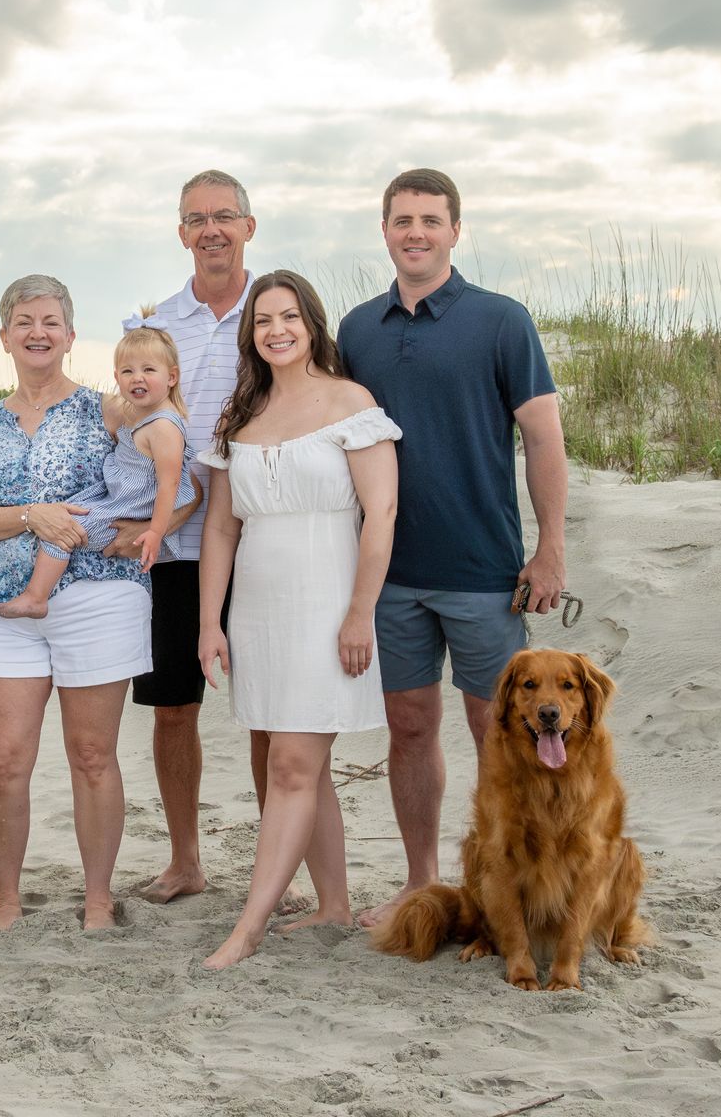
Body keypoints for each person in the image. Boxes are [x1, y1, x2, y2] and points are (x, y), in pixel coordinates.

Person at [335, 168, 567, 930]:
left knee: (500, 731)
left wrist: (551, 550)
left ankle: (525, 878)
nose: (415, 233)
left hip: (483, 573)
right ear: (385, 230)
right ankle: (421, 882)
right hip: (392, 575)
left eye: (431, 220)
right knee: (409, 728)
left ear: (455, 231)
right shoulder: (357, 330)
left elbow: (542, 438)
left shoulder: (502, 321)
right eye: (402, 220)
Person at [0, 275, 198, 931]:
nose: (37, 331)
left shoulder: (108, 409)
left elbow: (186, 485)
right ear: (3, 336)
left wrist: (141, 533)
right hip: (4, 606)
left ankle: (96, 898)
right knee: (4, 759)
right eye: (24, 320)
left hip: (98, 599)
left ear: (69, 333)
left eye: (50, 320)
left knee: (92, 754)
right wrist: (33, 517)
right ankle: (7, 899)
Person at [196, 270, 400, 969]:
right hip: (258, 608)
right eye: (262, 321)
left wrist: (358, 615)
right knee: (302, 770)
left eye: (289, 317)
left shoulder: (351, 402)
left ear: (312, 324)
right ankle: (333, 903)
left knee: (289, 763)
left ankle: (247, 927)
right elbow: (221, 530)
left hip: (328, 600)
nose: (276, 330)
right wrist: (209, 624)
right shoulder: (240, 418)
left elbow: (383, 513)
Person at [121, 169, 255, 906]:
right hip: (171, 549)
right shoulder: (158, 323)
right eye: (197, 218)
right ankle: (185, 862)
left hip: (260, 542)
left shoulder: (275, 310)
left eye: (224, 216)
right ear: (181, 232)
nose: (211, 229)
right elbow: (129, 416)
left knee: (275, 713)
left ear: (248, 227)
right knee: (173, 708)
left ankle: (281, 862)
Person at [0, 314, 196, 619]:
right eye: (127, 371)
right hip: (117, 496)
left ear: (172, 377)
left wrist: (155, 531)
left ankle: (36, 596)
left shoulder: (164, 427)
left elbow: (171, 484)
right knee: (67, 513)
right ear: (116, 376)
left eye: (148, 370)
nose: (137, 377)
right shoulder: (141, 415)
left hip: (129, 506)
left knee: (65, 531)